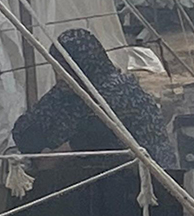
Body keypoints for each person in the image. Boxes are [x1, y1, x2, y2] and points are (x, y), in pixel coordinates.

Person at [11, 29, 175, 166]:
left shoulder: (118, 92)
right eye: (57, 68)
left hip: (144, 181)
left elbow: (87, 140)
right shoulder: (70, 93)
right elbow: (25, 129)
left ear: (82, 66)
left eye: (65, 69)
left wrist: (53, 155)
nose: (60, 76)